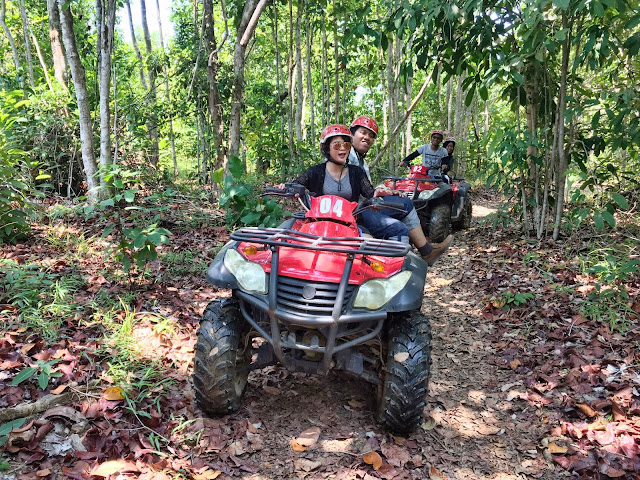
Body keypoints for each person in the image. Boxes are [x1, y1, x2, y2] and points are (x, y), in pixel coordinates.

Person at [292, 124, 453, 265]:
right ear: (327, 148)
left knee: (399, 228)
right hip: (323, 222)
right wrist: (287, 188)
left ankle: (398, 273)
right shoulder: (316, 172)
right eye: (337, 145)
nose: (342, 149)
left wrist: (382, 192)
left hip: (352, 219)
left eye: (346, 145)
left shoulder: (356, 172)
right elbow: (296, 185)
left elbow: (369, 192)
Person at [347, 116, 378, 182]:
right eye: (363, 133)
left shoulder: (362, 163)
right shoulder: (344, 156)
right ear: (352, 134)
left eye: (371, 136)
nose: (367, 137)